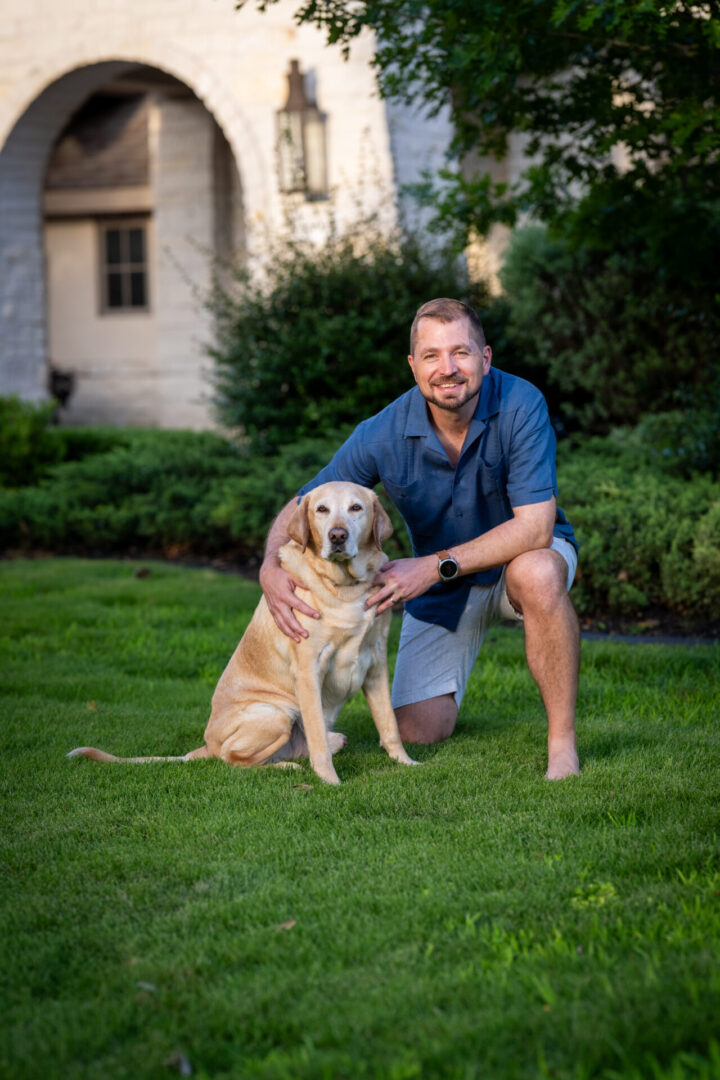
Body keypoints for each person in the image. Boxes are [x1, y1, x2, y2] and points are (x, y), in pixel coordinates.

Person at [259, 298, 580, 779]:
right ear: (413, 366)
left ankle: (562, 745)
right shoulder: (381, 432)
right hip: (444, 586)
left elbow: (535, 528)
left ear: (485, 357)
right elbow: (306, 500)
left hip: (512, 561)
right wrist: (270, 564)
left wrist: (431, 566)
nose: (447, 368)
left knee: (537, 571)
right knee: (416, 730)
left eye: (460, 352)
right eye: (432, 355)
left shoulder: (521, 403)